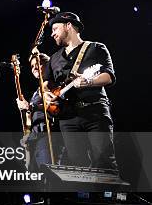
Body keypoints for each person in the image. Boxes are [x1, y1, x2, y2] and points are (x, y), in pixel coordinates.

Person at [43, 12, 117, 170]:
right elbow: (45, 85)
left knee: (103, 161)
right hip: (67, 118)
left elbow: (108, 77)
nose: (52, 34)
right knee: (77, 165)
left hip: (95, 112)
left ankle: (107, 194)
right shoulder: (54, 58)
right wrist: (47, 95)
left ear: (68, 26)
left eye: (55, 28)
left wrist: (88, 81)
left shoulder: (96, 48)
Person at [16, 52, 54, 170]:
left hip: (49, 138)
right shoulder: (36, 92)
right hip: (37, 139)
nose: (35, 68)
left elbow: (53, 105)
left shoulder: (52, 83)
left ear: (48, 65)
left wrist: (29, 107)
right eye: (32, 66)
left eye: (39, 64)